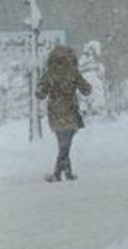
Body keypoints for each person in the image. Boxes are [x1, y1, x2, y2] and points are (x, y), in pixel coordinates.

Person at [36, 44, 92, 182]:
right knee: (65, 144)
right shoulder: (73, 72)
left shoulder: (50, 73)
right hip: (70, 111)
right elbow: (87, 90)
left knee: (63, 143)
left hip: (55, 111)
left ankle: (64, 172)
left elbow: (40, 94)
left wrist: (42, 86)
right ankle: (61, 173)